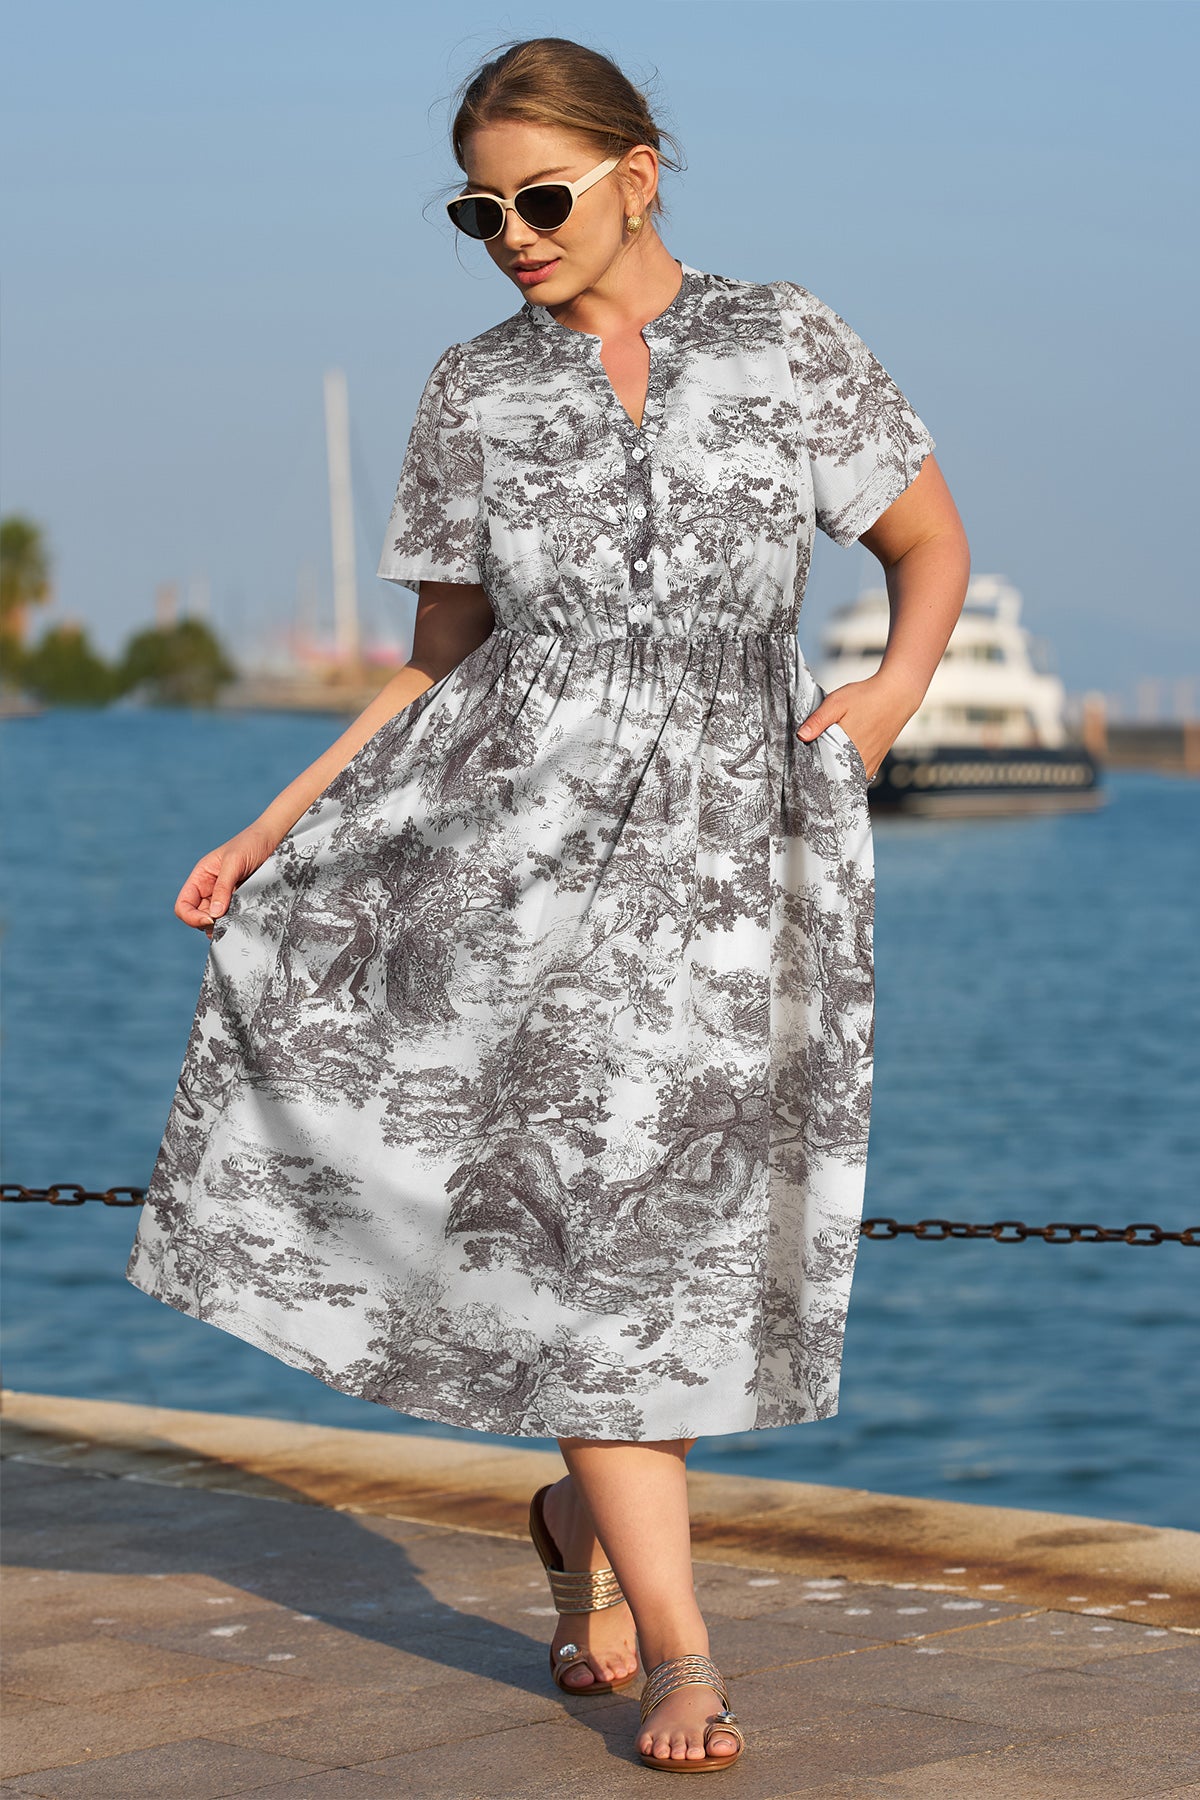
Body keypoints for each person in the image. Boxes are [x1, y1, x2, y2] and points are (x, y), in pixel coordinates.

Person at [125, 34, 969, 1774]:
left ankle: (581, 1525)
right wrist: (273, 828)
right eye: (478, 210)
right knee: (593, 1240)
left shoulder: (787, 339)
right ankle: (683, 1653)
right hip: (511, 864)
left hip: (741, 863)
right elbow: (438, 660)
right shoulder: (473, 390)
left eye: (542, 198)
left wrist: (887, 699)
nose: (511, 234)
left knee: (680, 1242)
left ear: (638, 172)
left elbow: (928, 545)